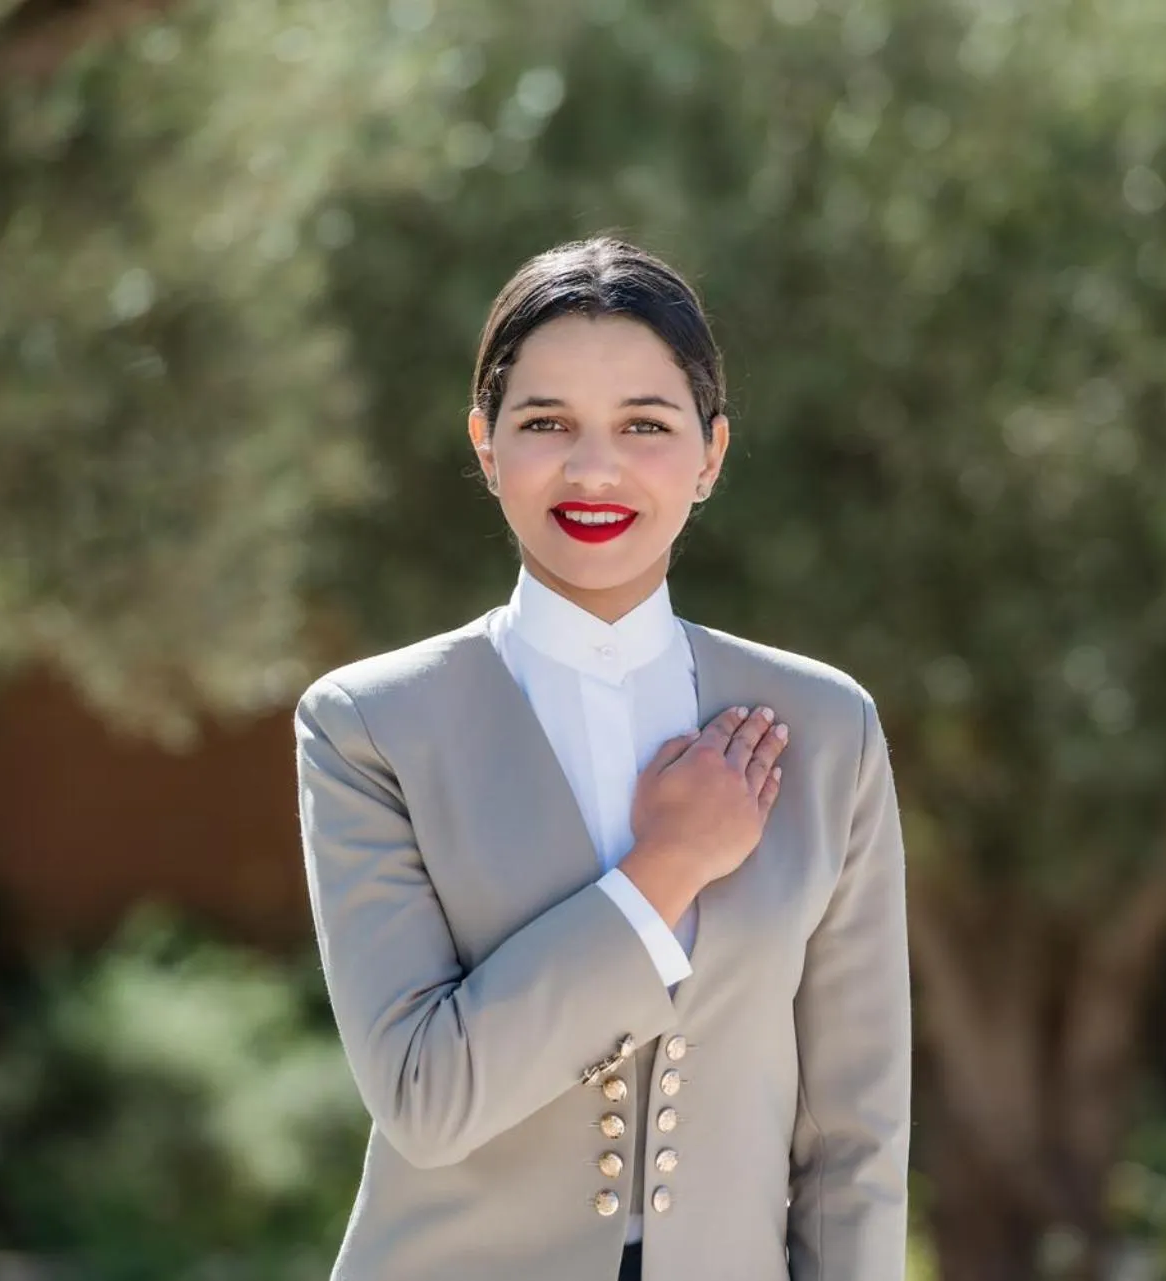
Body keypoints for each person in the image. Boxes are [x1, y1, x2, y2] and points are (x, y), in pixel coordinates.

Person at [294, 236, 910, 1281]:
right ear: (485, 446)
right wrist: (665, 868)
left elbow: (856, 1134)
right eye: (546, 425)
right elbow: (426, 1102)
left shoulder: (826, 728)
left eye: (644, 425)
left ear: (712, 454)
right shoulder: (369, 727)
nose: (594, 469)